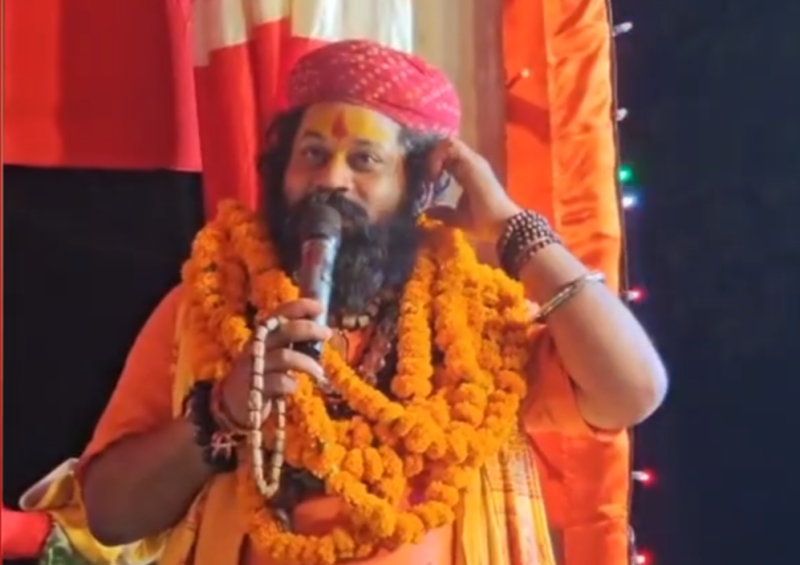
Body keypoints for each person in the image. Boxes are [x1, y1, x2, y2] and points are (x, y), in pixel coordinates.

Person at [3, 40, 666, 565]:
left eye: (364, 160)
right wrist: (222, 411)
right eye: (313, 153)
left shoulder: (477, 325)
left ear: (419, 187)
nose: (331, 180)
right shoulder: (203, 311)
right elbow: (110, 515)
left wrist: (513, 229)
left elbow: (633, 389)